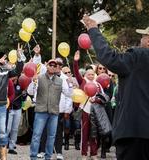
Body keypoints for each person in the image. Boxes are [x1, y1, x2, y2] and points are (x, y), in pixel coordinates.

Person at [83, 16, 149, 160]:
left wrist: (93, 30)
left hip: (134, 132)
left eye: (143, 36)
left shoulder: (139, 55)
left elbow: (109, 58)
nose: (141, 39)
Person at [29, 59, 72, 160]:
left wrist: (70, 84)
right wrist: (33, 81)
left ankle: (48, 157)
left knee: (52, 136)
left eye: (54, 65)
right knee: (36, 136)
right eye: (50, 65)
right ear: (47, 66)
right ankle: (33, 157)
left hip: (54, 112)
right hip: (41, 111)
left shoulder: (61, 80)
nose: (52, 67)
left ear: (57, 67)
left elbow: (69, 94)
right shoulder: (39, 78)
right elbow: (30, 92)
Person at [7, 76, 27, 155]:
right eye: (13, 78)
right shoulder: (7, 84)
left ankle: (12, 147)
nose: (15, 79)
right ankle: (3, 145)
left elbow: (24, 99)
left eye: (16, 78)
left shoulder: (20, 84)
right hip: (9, 109)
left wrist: (24, 94)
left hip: (18, 109)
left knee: (15, 129)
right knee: (7, 129)